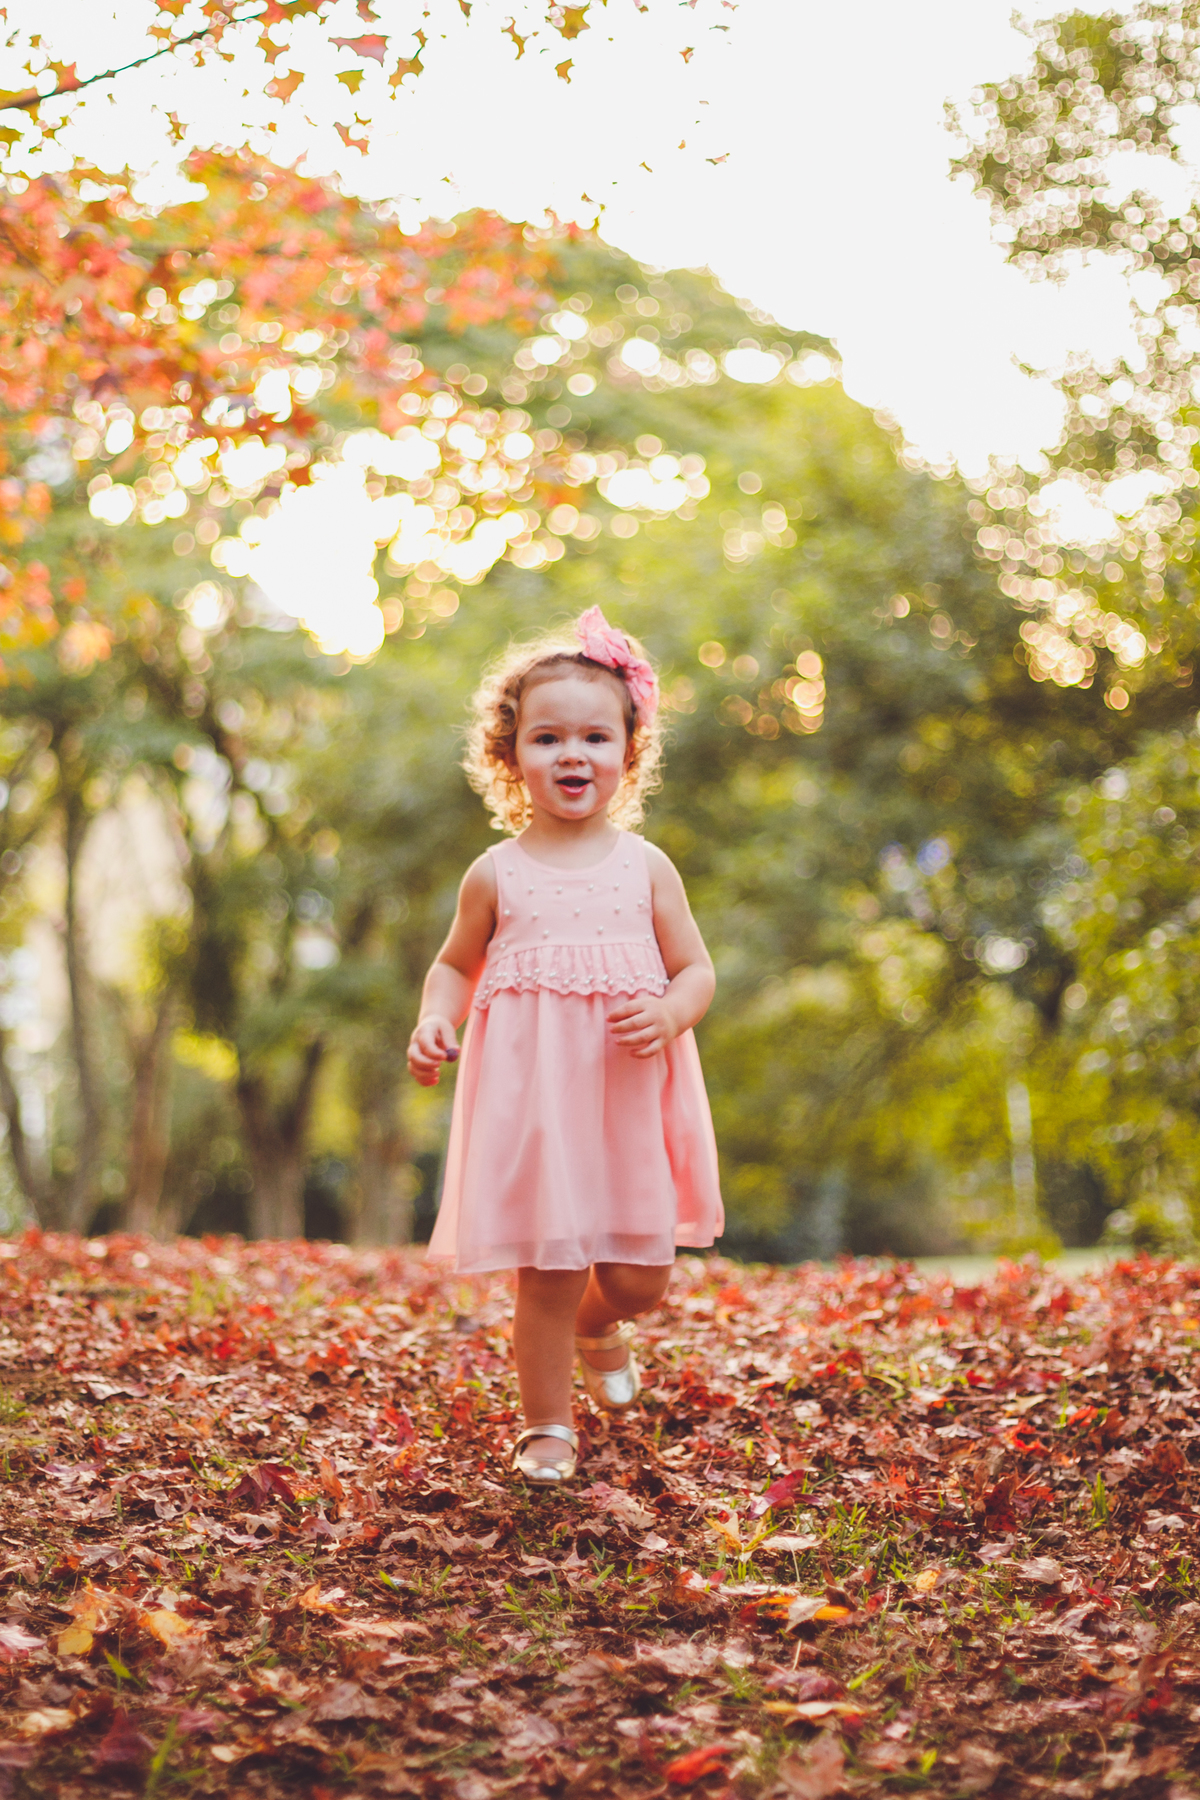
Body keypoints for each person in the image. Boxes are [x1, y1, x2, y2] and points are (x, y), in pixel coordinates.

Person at [407, 608, 723, 1486]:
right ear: (512, 756)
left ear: (630, 750)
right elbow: (451, 968)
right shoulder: (495, 874)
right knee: (543, 1275)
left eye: (595, 735)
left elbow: (697, 969)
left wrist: (669, 1012)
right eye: (548, 738)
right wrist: (437, 1019)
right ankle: (546, 1427)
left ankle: (600, 1324)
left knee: (638, 1282)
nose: (572, 755)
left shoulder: (647, 867)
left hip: (626, 1104)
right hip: (538, 1111)